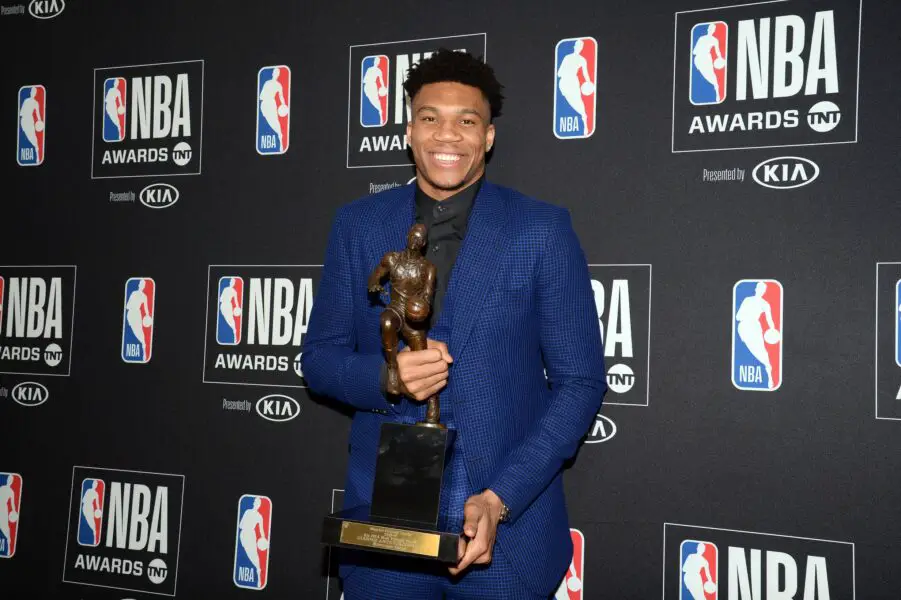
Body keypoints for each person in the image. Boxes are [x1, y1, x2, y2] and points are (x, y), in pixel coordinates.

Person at [302, 49, 605, 599]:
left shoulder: (541, 229)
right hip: (385, 519)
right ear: (409, 131)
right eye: (430, 117)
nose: (448, 135)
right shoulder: (358, 225)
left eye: (467, 120)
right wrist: (387, 379)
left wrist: (501, 498)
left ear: (488, 136)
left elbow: (580, 383)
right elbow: (319, 359)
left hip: (508, 528)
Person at [735, 281, 779, 388]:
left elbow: (770, 319)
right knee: (749, 349)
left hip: (755, 327)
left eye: (763, 289)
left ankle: (769, 375)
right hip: (743, 327)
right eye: (760, 288)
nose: (761, 291)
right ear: (756, 289)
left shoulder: (765, 304)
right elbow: (737, 317)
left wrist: (772, 329)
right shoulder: (747, 300)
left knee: (762, 351)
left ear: (764, 292)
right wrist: (746, 315)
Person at [692, 24, 725, 101]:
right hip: (699, 59)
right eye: (710, 28)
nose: (711, 30)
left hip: (706, 58)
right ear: (708, 29)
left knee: (713, 77)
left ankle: (717, 93)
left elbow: (718, 51)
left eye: (713, 28)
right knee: (701, 76)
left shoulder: (714, 40)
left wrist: (720, 58)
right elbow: (694, 51)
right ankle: (711, 92)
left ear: (713, 30)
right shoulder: (701, 38)